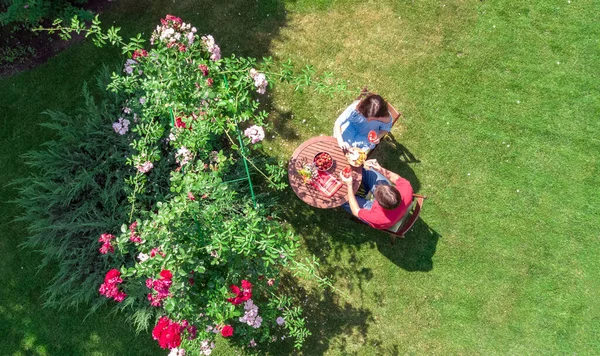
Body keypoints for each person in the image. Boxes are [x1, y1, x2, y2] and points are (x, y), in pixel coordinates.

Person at [340, 159, 413, 230]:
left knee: (344, 200)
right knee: (368, 171)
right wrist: (380, 169)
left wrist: (349, 185)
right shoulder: (406, 189)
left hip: (380, 214)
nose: (378, 186)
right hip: (394, 210)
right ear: (395, 190)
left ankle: (347, 193)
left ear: (377, 201)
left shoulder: (377, 218)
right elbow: (397, 178)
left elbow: (356, 211)